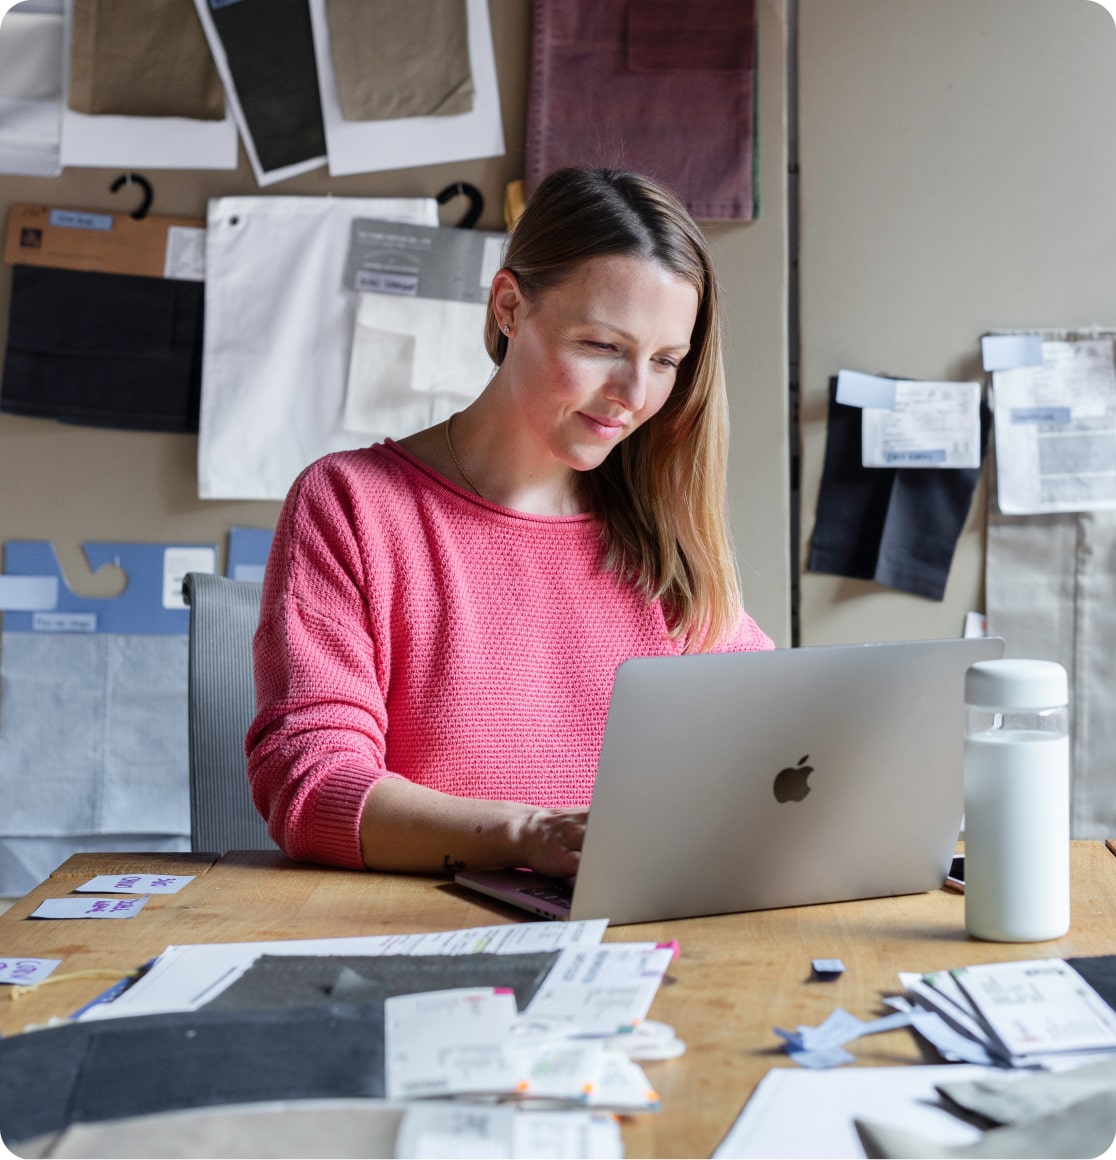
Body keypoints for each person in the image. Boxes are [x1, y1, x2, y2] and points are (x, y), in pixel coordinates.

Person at [246, 166, 773, 880]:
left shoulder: (660, 537)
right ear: (509, 307)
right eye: (603, 347)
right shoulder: (351, 504)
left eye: (665, 361)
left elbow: (778, 739)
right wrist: (529, 836)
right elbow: (309, 789)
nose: (633, 396)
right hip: (423, 938)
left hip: (632, 939)